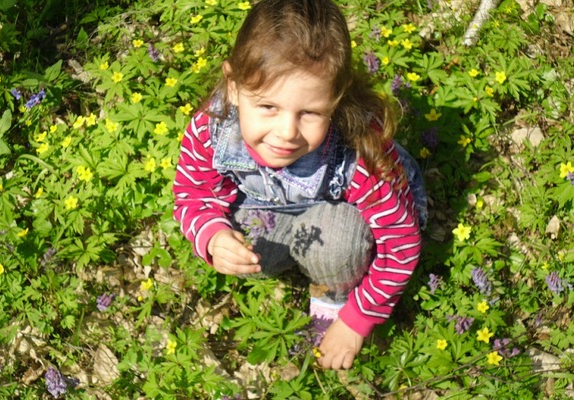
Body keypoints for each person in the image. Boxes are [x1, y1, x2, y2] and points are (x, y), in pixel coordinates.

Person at [173, 0, 426, 370]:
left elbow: (400, 240)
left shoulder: (360, 150)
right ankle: (293, 260)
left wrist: (357, 321)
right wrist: (212, 236)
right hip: (264, 210)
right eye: (268, 107)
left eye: (309, 112)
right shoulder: (212, 128)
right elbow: (193, 193)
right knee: (242, 241)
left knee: (339, 244)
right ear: (234, 86)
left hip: (335, 218)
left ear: (336, 100)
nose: (287, 132)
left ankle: (334, 293)